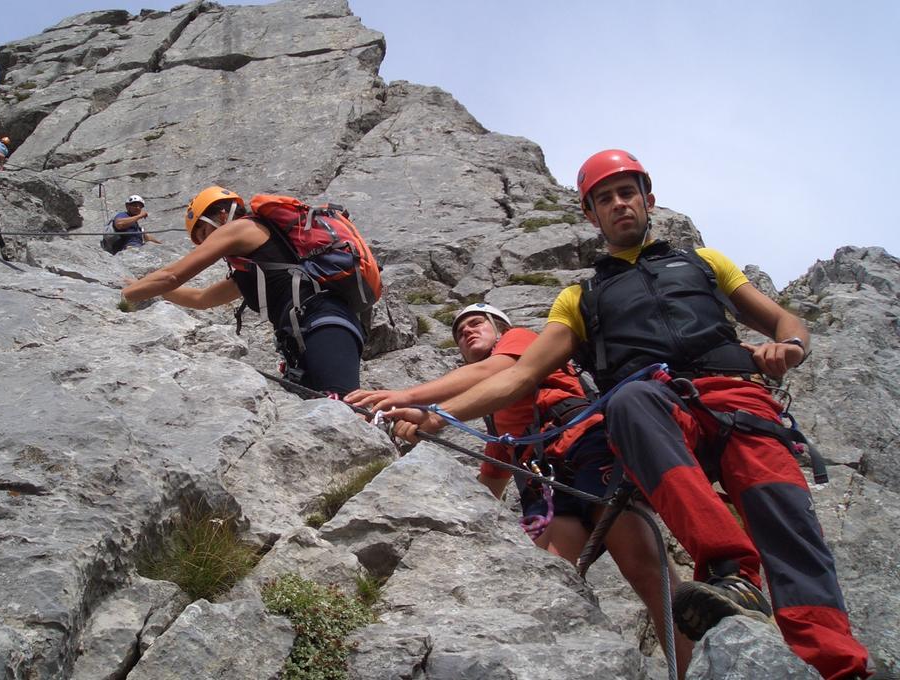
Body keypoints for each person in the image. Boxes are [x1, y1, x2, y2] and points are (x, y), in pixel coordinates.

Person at [387, 150, 874, 679]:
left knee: (790, 527)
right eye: (604, 199)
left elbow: (783, 319)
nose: (619, 204)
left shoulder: (705, 263)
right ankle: (730, 570)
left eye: (627, 193)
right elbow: (519, 376)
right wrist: (438, 415)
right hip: (655, 405)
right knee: (630, 400)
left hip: (739, 400)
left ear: (648, 199)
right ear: (590, 216)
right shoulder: (580, 297)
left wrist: (791, 345)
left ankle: (839, 666)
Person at [347, 302, 692, 675]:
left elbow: (498, 370)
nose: (466, 332)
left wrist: (412, 401)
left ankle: (694, 666)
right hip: (548, 488)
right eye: (460, 332)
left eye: (476, 324)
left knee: (644, 568)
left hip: (590, 451)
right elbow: (491, 484)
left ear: (499, 329)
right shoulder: (497, 419)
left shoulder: (521, 341)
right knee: (547, 580)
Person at [121, 185, 363, 395]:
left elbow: (172, 276)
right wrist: (148, 289)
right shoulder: (256, 265)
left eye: (205, 233)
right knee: (334, 413)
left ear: (223, 215)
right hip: (313, 332)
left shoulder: (242, 228)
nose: (208, 244)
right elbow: (202, 298)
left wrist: (122, 297)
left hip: (324, 325)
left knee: (347, 408)